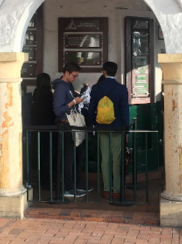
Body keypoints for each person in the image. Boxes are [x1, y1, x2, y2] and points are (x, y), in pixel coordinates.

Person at [87, 62, 130, 200]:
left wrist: (93, 123)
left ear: (104, 72)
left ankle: (106, 189)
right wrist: (126, 129)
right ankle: (116, 190)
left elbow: (91, 109)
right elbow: (125, 111)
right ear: (115, 72)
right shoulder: (121, 89)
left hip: (101, 127)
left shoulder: (96, 88)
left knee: (105, 158)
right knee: (116, 158)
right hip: (117, 128)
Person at [52, 62, 87, 199]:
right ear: (66, 73)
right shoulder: (60, 87)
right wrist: (74, 102)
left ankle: (74, 184)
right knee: (68, 158)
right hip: (65, 125)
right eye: (74, 75)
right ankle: (68, 187)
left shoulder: (68, 86)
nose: (75, 78)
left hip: (72, 124)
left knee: (76, 156)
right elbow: (58, 110)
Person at [31, 73, 56, 184]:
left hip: (37, 126)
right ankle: (48, 181)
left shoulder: (36, 92)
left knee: (40, 154)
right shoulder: (48, 94)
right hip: (48, 127)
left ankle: (42, 179)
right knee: (48, 155)